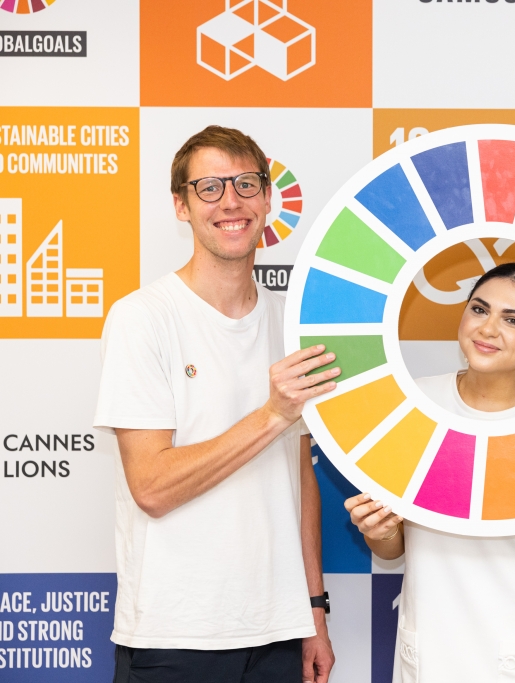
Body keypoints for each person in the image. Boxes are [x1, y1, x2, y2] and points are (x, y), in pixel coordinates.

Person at [94, 126, 337, 683]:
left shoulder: (293, 323)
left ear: (268, 199)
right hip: (175, 634)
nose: (231, 201)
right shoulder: (142, 318)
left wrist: (314, 612)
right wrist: (272, 414)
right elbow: (152, 487)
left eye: (246, 184)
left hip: (277, 632)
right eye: (209, 187)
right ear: (181, 206)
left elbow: (299, 479)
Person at [345, 262, 515, 683]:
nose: (488, 328)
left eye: (513, 320)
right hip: (432, 648)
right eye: (479, 309)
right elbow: (392, 549)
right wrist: (379, 531)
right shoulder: (413, 406)